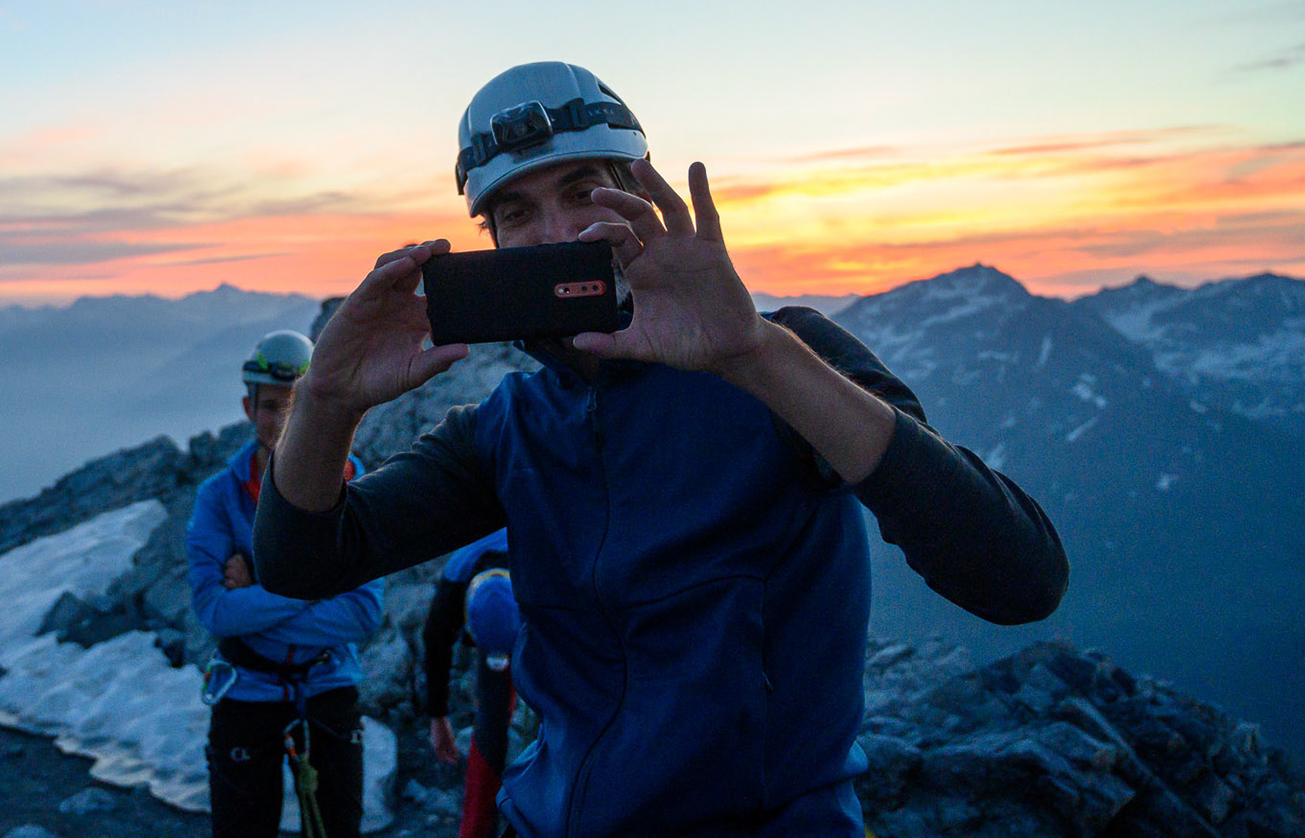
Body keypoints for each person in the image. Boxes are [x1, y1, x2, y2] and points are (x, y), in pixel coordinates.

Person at [255, 61, 1069, 838]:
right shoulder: (508, 427)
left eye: (582, 190)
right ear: (493, 244)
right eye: (515, 213)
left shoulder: (781, 358)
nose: (555, 233)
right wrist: (326, 402)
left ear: (643, 191)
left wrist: (751, 354)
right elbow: (302, 564)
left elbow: (1019, 576)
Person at [188, 330, 385, 838]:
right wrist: (318, 583)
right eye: (270, 406)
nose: (280, 421)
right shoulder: (219, 496)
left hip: (319, 687)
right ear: (248, 408)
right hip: (254, 689)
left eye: (294, 406)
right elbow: (213, 611)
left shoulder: (357, 485)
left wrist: (260, 591)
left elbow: (364, 613)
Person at [420, 529, 519, 838]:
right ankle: (476, 830)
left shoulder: (551, 566)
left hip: (539, 609)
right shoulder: (455, 583)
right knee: (492, 719)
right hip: (502, 604)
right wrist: (438, 718)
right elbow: (435, 648)